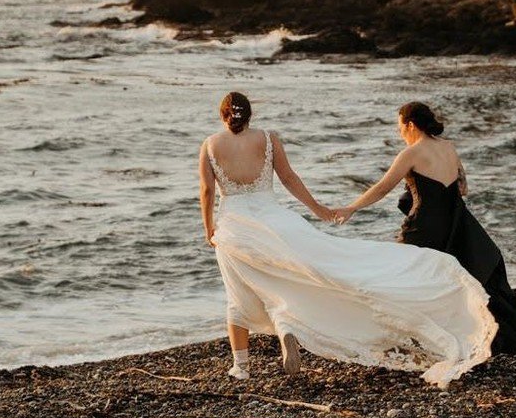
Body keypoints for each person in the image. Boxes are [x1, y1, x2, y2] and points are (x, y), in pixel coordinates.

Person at [198, 91, 496, 386]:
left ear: (222, 115)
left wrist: (209, 228)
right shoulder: (267, 138)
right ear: (250, 114)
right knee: (298, 273)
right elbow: (289, 178)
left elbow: (208, 191)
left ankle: (241, 367)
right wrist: (318, 209)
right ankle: (285, 323)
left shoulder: (210, 145)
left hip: (235, 225)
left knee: (239, 291)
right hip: (275, 218)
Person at [333, 101, 516, 357]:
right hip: (456, 224)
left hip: (424, 227)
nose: (399, 132)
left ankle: (404, 339)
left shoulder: (411, 153)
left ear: (410, 125)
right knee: (451, 281)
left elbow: (382, 188)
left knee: (401, 279)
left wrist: (351, 208)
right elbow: (463, 188)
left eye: (399, 126)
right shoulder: (448, 146)